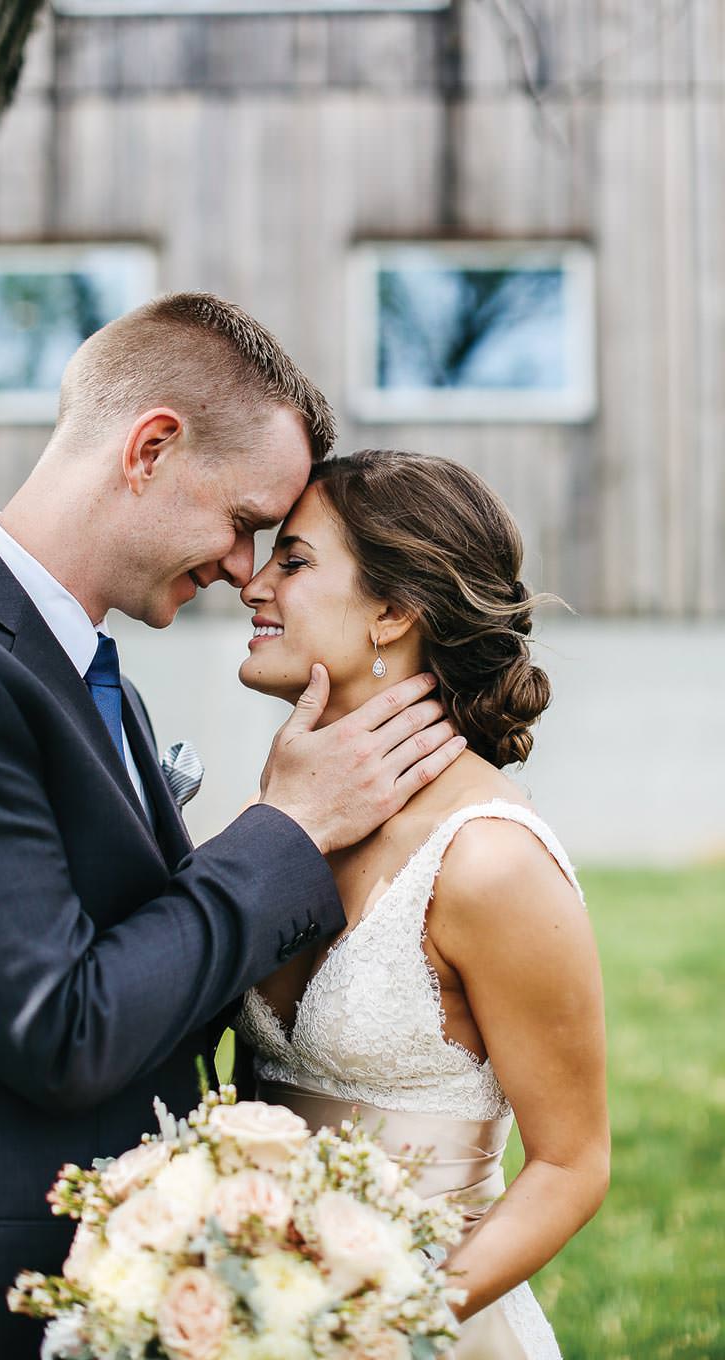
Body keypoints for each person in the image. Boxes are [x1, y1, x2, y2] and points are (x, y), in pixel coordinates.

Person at [0, 293, 464, 1360]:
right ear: (152, 448)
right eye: (242, 522)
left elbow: (146, 972)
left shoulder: (100, 681)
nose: (240, 570)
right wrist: (285, 828)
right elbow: (63, 1025)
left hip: (129, 1289)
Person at [235, 449, 608, 1358]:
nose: (251, 585)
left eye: (293, 560)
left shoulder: (487, 861)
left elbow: (571, 1164)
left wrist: (385, 1324)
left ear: (394, 613)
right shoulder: (286, 808)